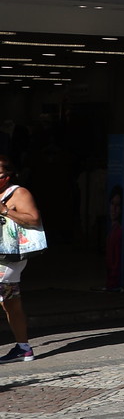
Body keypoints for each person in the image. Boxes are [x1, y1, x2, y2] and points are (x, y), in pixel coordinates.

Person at [0, 155, 40, 364]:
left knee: (9, 301)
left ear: (6, 175)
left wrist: (5, 210)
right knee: (11, 303)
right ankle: (23, 348)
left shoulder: (18, 193)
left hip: (9, 258)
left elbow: (34, 219)